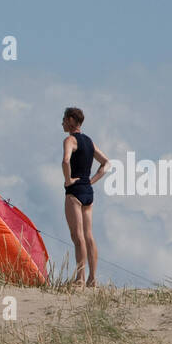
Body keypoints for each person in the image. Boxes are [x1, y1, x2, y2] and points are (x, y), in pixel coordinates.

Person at [61, 107, 110, 288]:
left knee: (77, 235)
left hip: (75, 191)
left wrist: (68, 181)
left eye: (65, 119)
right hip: (88, 191)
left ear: (72, 120)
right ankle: (92, 278)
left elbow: (66, 160)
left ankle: (80, 277)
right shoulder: (89, 142)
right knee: (89, 235)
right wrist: (92, 181)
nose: (62, 123)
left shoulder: (70, 140)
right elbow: (106, 163)